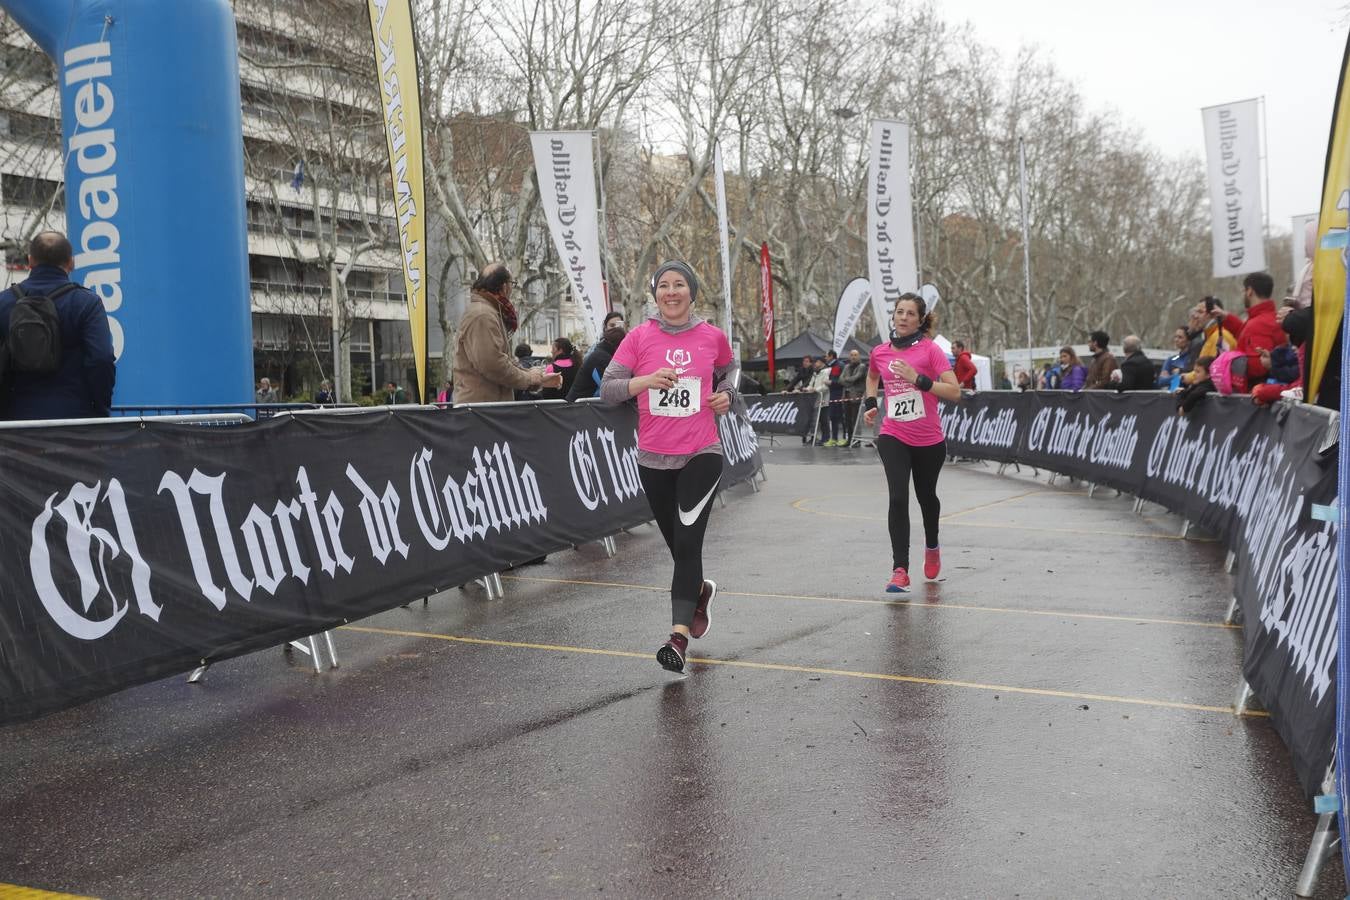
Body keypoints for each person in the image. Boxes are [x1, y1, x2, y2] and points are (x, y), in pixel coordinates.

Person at [600, 260, 735, 673]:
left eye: (680, 285)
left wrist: (726, 395)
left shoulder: (713, 336)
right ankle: (698, 592)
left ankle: (676, 638)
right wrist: (645, 381)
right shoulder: (639, 338)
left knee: (689, 544)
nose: (671, 292)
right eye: (664, 286)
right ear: (655, 294)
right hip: (653, 459)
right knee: (680, 548)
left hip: (701, 453)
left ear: (692, 293)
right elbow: (608, 390)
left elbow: (730, 372)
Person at [862, 291, 962, 593]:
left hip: (929, 440)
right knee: (897, 497)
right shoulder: (880, 352)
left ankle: (932, 546)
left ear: (920, 320)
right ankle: (899, 570)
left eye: (910, 313)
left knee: (926, 498)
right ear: (893, 316)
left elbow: (955, 392)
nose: (903, 317)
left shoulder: (930, 351)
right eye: (899, 312)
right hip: (894, 434)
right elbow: (871, 377)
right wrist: (870, 403)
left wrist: (918, 379)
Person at [0, 231, 115, 420]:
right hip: (74, 422)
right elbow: (101, 359)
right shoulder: (87, 303)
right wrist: (100, 408)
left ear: (30, 261)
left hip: (14, 425)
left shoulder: (4, 302)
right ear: (71, 262)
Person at [453, 264, 562, 404]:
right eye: (513, 284)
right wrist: (531, 379)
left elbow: (501, 360)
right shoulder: (483, 315)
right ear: (505, 287)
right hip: (483, 411)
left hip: (484, 407)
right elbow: (494, 365)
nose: (512, 288)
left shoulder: (485, 312)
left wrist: (537, 378)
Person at [1234, 272, 1288, 387]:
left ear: (1249, 291)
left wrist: (1230, 363)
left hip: (1255, 394)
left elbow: (1257, 367)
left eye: (1244, 290)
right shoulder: (1270, 317)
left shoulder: (1258, 324)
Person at [567, 311, 626, 401]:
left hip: (592, 407)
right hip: (581, 409)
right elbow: (611, 389)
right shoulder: (600, 356)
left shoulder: (609, 353)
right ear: (605, 328)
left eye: (619, 326)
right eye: (612, 326)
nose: (616, 330)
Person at [840, 348, 867, 444]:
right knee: (847, 419)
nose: (853, 357)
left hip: (856, 396)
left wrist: (846, 380)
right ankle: (850, 439)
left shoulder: (862, 366)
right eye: (851, 355)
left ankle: (856, 440)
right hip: (846, 395)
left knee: (855, 419)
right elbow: (840, 380)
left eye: (855, 355)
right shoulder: (846, 367)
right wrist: (848, 380)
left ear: (859, 356)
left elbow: (855, 378)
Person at [824, 350, 846, 446]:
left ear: (831, 356)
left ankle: (845, 438)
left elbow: (841, 380)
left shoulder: (839, 365)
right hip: (832, 394)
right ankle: (834, 438)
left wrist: (832, 382)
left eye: (826, 356)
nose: (825, 358)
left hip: (839, 394)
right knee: (833, 416)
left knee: (841, 416)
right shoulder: (829, 366)